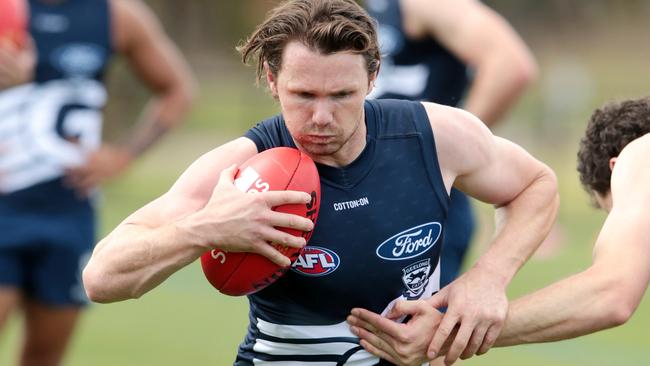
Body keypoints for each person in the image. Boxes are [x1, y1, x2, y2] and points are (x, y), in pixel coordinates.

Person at [81, 1, 558, 365]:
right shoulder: (242, 171)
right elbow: (101, 278)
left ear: (373, 78)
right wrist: (206, 227)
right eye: (303, 94)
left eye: (342, 94)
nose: (322, 117)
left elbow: (536, 184)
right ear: (272, 79)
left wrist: (488, 280)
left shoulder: (434, 136)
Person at [346, 97, 650, 365]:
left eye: (613, 213)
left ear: (615, 168)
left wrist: (449, 333)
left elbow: (611, 293)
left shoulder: (639, 156)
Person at [0, 0, 195, 365]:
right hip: (4, 209)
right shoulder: (7, 10)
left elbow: (177, 90)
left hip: (69, 212)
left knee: (44, 357)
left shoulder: (117, 15)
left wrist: (123, 155)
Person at [364, 0, 538, 290]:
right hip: (376, 190)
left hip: (419, 197)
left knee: (414, 328)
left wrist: (446, 150)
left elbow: (510, 64)